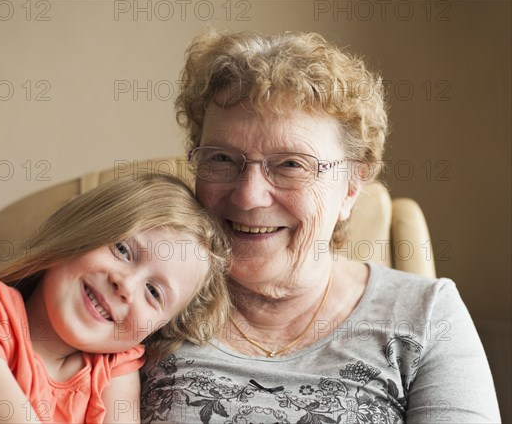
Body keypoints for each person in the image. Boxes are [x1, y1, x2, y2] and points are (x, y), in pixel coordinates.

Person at [139, 30, 501, 423]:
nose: (248, 196)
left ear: (350, 186)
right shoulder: (142, 294)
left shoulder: (426, 314)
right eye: (223, 159)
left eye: (291, 164)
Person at [0, 173, 230, 423]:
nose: (125, 285)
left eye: (153, 293)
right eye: (122, 249)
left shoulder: (115, 368)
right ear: (78, 231)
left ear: (158, 328)